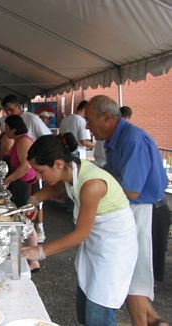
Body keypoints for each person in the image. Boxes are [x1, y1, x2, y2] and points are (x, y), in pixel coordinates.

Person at [23, 133, 138, 326]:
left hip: (113, 250)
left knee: (98, 312)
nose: (39, 177)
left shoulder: (92, 184)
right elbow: (57, 188)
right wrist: (33, 200)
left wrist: (40, 251)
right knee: (85, 307)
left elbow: (80, 234)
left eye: (40, 171)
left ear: (58, 164)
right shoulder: (71, 171)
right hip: (95, 243)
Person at [85, 95, 169, 326]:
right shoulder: (114, 139)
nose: (87, 126)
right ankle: (154, 322)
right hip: (131, 212)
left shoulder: (133, 139)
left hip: (146, 212)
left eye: (90, 120)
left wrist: (91, 194)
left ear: (108, 118)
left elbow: (130, 190)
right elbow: (111, 177)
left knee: (134, 278)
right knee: (130, 278)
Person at [2, 115, 41, 271]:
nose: (5, 131)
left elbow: (26, 166)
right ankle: (28, 257)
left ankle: (34, 261)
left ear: (14, 128)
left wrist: (8, 180)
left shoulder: (24, 141)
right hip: (19, 184)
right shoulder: (18, 140)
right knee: (23, 220)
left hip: (25, 185)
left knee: (26, 222)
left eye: (6, 128)